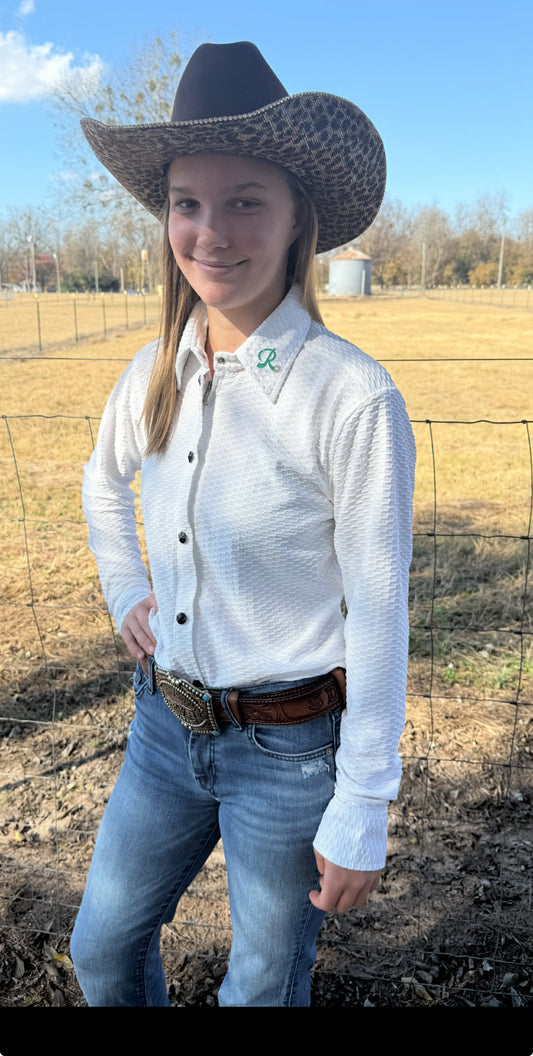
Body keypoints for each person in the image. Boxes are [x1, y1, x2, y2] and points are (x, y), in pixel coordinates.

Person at [70, 41, 416, 1007]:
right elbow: (101, 484)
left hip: (290, 753)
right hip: (162, 727)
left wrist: (364, 799)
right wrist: (125, 588)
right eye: (187, 202)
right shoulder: (152, 372)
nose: (210, 232)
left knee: (260, 989)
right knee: (101, 951)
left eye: (246, 201)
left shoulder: (349, 398)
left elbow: (379, 612)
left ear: (300, 217)